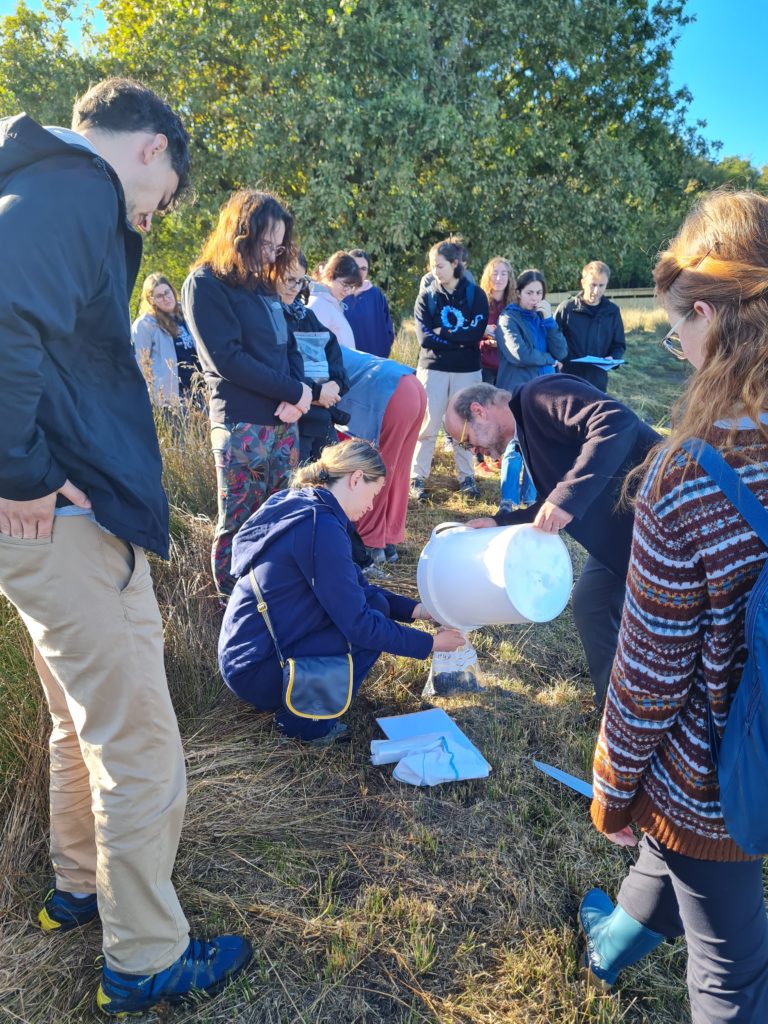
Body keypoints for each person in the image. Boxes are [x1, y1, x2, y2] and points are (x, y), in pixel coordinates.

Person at [0, 78, 250, 1016]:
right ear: (152, 150)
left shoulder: (31, 179)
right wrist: (20, 472)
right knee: (139, 744)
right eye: (167, 194)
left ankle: (78, 884)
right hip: (66, 525)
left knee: (78, 722)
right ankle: (145, 956)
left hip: (46, 531)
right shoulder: (76, 185)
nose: (157, 214)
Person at [582, 191, 768, 1022]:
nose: (679, 350)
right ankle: (608, 947)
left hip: (715, 777)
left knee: (730, 974)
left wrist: (612, 785)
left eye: (676, 330)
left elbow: (651, 674)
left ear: (708, 315)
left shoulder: (688, 474)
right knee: (674, 863)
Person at [218, 440, 465, 744]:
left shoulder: (307, 507)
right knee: (369, 630)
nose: (371, 506)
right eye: (373, 494)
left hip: (248, 653)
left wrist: (419, 611)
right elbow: (360, 626)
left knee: (376, 608)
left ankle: (306, 700)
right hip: (257, 669)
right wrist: (431, 644)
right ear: (356, 478)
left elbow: (359, 588)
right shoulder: (320, 527)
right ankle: (305, 725)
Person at [443, 380, 658, 707]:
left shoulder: (537, 396)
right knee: (593, 604)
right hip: (623, 535)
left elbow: (616, 421)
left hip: (662, 515)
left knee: (665, 625)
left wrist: (567, 497)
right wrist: (501, 522)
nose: (472, 452)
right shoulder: (526, 434)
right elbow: (552, 500)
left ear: (479, 411)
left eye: (465, 440)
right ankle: (615, 707)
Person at [182, 190, 312, 600]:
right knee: (238, 523)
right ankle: (233, 607)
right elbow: (228, 360)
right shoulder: (204, 283)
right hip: (241, 427)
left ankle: (272, 599)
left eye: (279, 247)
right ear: (241, 234)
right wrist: (294, 390)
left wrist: (298, 397)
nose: (272, 254)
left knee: (281, 518)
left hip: (284, 424)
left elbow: (288, 345)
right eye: (266, 243)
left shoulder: (264, 285)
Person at [410, 239, 489, 502]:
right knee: (427, 425)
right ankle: (417, 477)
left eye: (440, 266)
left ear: (455, 264)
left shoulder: (476, 295)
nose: (435, 271)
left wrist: (443, 333)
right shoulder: (426, 297)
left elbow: (476, 333)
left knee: (465, 425)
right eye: (432, 266)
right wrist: (460, 340)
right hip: (433, 369)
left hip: (467, 370)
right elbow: (425, 339)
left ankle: (466, 477)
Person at [335, 347, 427, 565]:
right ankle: (388, 538)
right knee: (397, 470)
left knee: (373, 469)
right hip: (410, 384)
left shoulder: (295, 346)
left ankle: (368, 541)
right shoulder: (323, 339)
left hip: (389, 394)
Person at [276, 252, 349, 462]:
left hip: (322, 421)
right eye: (289, 279)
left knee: (333, 477)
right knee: (298, 481)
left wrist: (336, 384)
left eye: (300, 281)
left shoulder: (306, 316)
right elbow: (279, 368)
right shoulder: (267, 318)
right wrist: (317, 393)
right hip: (292, 425)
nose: (295, 287)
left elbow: (332, 352)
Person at [556, 260, 626, 392]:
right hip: (568, 380)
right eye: (593, 284)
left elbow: (619, 345)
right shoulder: (566, 309)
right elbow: (552, 340)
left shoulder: (612, 312)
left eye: (601, 285)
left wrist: (613, 358)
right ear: (583, 283)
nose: (596, 290)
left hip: (598, 383)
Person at [131, 272, 201, 405]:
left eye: (167, 292)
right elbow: (140, 365)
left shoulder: (187, 313)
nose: (166, 298)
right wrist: (154, 395)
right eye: (159, 296)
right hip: (170, 399)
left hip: (199, 393)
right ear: (151, 300)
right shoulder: (145, 325)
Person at [495, 268, 568, 393]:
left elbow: (561, 352)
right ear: (518, 293)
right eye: (529, 293)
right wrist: (550, 360)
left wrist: (549, 321)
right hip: (518, 389)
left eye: (539, 293)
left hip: (547, 388)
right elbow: (521, 355)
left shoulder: (544, 316)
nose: (534, 298)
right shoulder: (507, 318)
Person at [475, 257, 514, 477]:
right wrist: (483, 336)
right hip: (483, 363)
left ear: (509, 278)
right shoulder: (480, 301)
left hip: (506, 364)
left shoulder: (513, 304)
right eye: (495, 273)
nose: (498, 278)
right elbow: (469, 332)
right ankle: (479, 458)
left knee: (502, 410)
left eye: (503, 274)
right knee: (482, 411)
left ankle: (497, 453)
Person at [343, 248, 395, 357]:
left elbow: (388, 330)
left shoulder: (376, 295)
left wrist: (382, 354)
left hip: (374, 361)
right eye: (355, 267)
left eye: (363, 268)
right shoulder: (339, 294)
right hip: (347, 360)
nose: (359, 272)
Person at [307, 250, 362, 351]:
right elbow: (310, 350)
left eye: (351, 287)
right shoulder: (319, 304)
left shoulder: (331, 303)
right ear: (330, 276)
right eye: (345, 285)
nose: (348, 291)